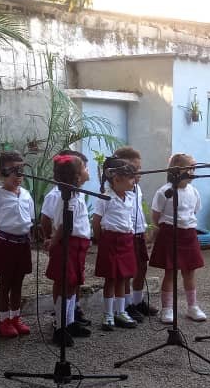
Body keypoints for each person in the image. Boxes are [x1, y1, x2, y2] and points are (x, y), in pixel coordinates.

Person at [150, 153, 206, 323]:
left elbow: (194, 211)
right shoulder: (164, 191)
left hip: (188, 233)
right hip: (170, 233)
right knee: (170, 272)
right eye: (190, 167)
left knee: (189, 272)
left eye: (194, 167)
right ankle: (167, 309)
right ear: (176, 170)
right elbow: (155, 215)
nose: (193, 171)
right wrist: (162, 228)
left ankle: (192, 307)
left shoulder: (194, 191)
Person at [0, 151, 34, 338]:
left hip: (23, 244)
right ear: (2, 172)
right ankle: (3, 320)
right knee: (5, 284)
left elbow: (29, 221)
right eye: (14, 171)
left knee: (19, 283)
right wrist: (0, 244)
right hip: (6, 244)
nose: (18, 176)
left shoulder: (26, 195)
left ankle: (15, 318)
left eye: (21, 171)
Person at [45, 154, 93, 347]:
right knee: (65, 285)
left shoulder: (77, 194)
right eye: (85, 168)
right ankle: (60, 327)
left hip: (77, 245)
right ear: (77, 176)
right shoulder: (69, 198)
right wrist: (53, 242)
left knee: (73, 285)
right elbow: (65, 226)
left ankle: (70, 321)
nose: (88, 171)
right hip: (68, 244)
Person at [92, 157, 139, 331]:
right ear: (117, 179)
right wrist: (99, 240)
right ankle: (108, 314)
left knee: (123, 277)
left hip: (126, 240)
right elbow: (96, 221)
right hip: (110, 241)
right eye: (131, 178)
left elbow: (130, 218)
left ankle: (120, 311)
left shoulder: (131, 197)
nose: (134, 182)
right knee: (110, 278)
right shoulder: (105, 197)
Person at [114, 146, 157, 321]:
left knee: (141, 267)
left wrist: (145, 229)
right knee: (126, 272)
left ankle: (138, 301)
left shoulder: (136, 187)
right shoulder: (120, 189)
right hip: (127, 234)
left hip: (138, 232)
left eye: (140, 168)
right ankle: (125, 305)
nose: (140, 172)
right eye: (136, 169)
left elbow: (138, 211)